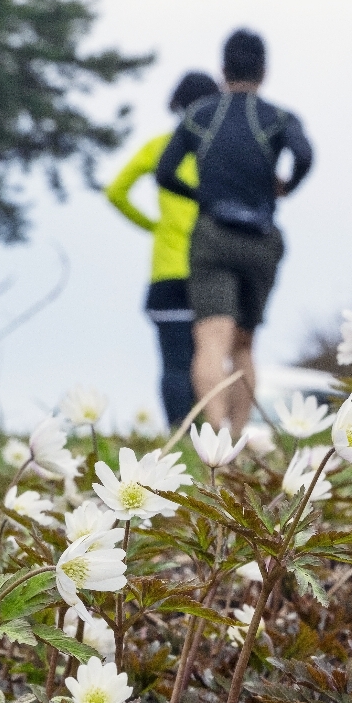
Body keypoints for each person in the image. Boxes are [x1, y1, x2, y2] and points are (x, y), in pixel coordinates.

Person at [156, 29, 313, 435]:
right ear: (264, 70)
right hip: (262, 238)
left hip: (213, 234)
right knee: (244, 345)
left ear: (223, 69)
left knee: (210, 342)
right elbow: (305, 155)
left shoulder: (200, 116)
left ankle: (215, 447)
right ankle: (238, 440)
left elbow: (165, 172)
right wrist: (287, 186)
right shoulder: (278, 117)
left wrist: (199, 195)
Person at [105, 71, 220, 427]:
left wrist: (153, 226)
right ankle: (209, 436)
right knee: (210, 357)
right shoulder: (218, 149)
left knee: (174, 361)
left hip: (167, 269)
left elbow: (115, 192)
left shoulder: (159, 147)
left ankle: (177, 433)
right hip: (212, 267)